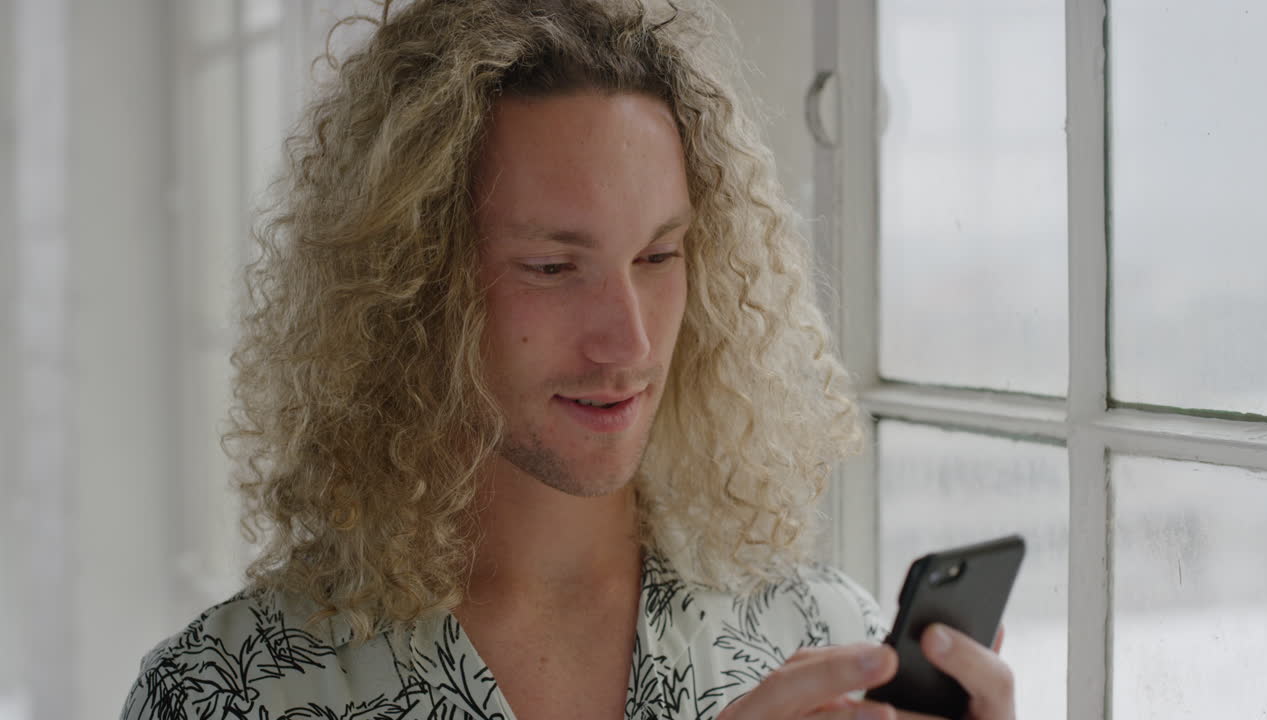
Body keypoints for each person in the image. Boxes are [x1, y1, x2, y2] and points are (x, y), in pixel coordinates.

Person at [121, 1, 1017, 718]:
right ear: (413, 287)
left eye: (658, 256)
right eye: (553, 268)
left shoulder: (820, 635)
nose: (630, 343)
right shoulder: (229, 692)